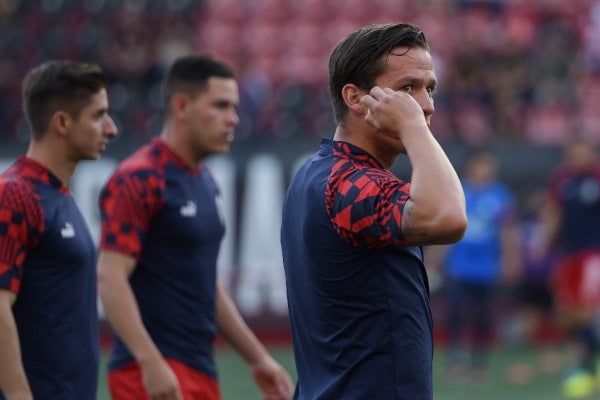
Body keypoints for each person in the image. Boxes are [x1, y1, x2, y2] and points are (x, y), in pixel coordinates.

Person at [281, 22, 467, 399]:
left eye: (429, 88)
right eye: (407, 89)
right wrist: (415, 128)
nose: (427, 105)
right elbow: (447, 217)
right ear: (355, 98)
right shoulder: (345, 182)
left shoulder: (315, 172)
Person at [97, 54, 294, 400]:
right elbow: (110, 277)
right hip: (149, 375)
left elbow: (205, 284)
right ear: (182, 105)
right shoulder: (140, 177)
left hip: (199, 369)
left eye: (234, 107)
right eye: (220, 106)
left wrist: (258, 358)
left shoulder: (204, 180)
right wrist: (150, 362)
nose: (233, 118)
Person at [0, 60, 117, 399]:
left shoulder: (57, 195)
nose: (111, 128)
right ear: (62, 123)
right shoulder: (16, 195)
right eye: (98, 116)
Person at [425, 148, 521, 380]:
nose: (487, 170)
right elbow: (447, 229)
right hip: (460, 266)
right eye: (482, 165)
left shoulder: (500, 195)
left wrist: (510, 259)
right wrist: (433, 259)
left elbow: (507, 232)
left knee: (483, 315)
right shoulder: (459, 191)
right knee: (456, 312)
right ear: (472, 167)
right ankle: (457, 359)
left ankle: (479, 362)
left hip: (486, 268)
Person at [535, 136, 600, 399]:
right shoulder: (562, 179)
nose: (576, 157)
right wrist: (543, 241)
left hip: (593, 255)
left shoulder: (596, 176)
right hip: (568, 255)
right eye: (572, 152)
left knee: (586, 311)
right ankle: (585, 360)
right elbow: (553, 211)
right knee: (568, 313)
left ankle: (587, 366)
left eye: (581, 151)